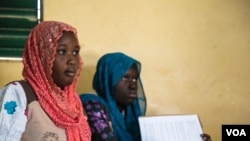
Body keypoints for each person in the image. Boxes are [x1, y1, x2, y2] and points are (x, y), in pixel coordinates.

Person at [79, 52, 212, 141]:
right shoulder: (92, 105)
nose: (133, 85)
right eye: (125, 78)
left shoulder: (127, 119)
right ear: (107, 79)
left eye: (135, 79)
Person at [0, 21, 91, 141]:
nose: (73, 61)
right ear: (42, 56)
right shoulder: (19, 94)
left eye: (75, 53)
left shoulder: (74, 104)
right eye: (62, 52)